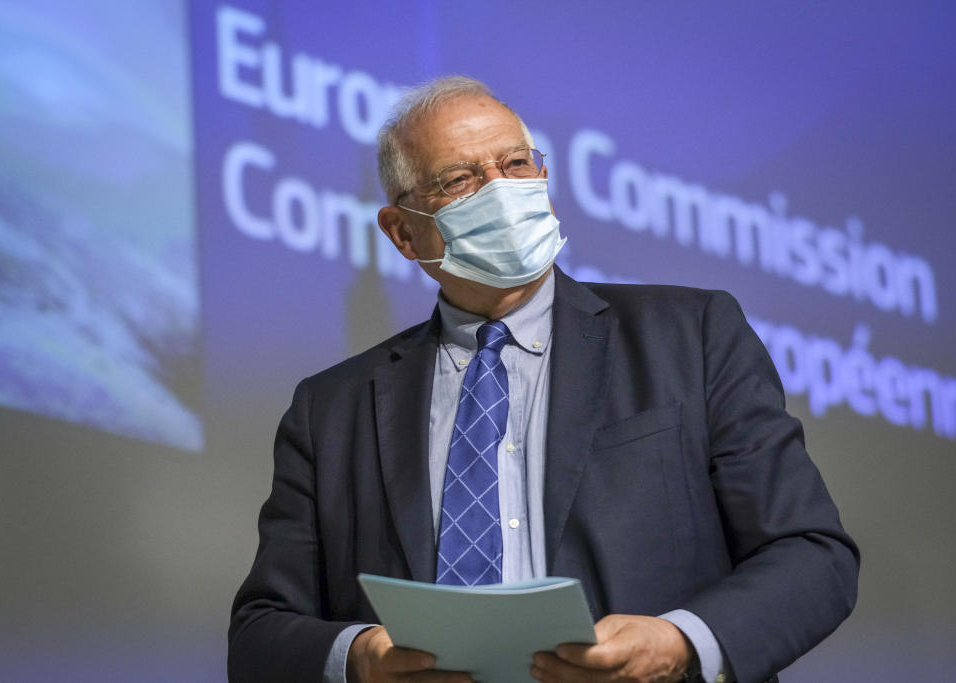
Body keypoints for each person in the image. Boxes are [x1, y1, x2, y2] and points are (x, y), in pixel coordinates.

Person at [228, 76, 859, 683]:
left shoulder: (690, 334)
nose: (501, 191)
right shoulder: (331, 408)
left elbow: (812, 555)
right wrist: (362, 657)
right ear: (402, 232)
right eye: (460, 179)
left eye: (516, 164)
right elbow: (261, 634)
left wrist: (680, 643)